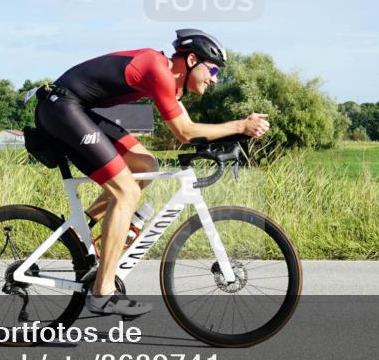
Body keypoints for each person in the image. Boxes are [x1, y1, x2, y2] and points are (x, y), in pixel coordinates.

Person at [33, 29, 270, 316]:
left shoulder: (168, 79)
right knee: (127, 192)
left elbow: (191, 128)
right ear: (192, 59)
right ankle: (102, 292)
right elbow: (184, 132)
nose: (215, 78)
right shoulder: (157, 69)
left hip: (74, 108)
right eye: (213, 69)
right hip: (61, 108)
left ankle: (83, 230)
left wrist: (234, 137)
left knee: (145, 166)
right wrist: (239, 126)